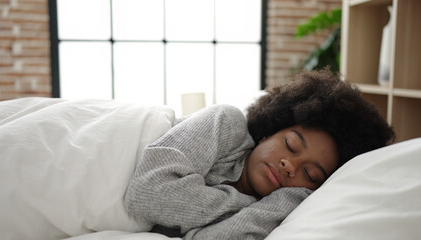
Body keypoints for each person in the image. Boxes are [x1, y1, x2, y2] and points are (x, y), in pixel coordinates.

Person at [125, 68, 395, 240]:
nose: (290, 165)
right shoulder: (226, 123)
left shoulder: (284, 206)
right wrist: (243, 203)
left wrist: (288, 197)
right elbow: (147, 194)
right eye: (290, 145)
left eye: (310, 174)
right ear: (269, 131)